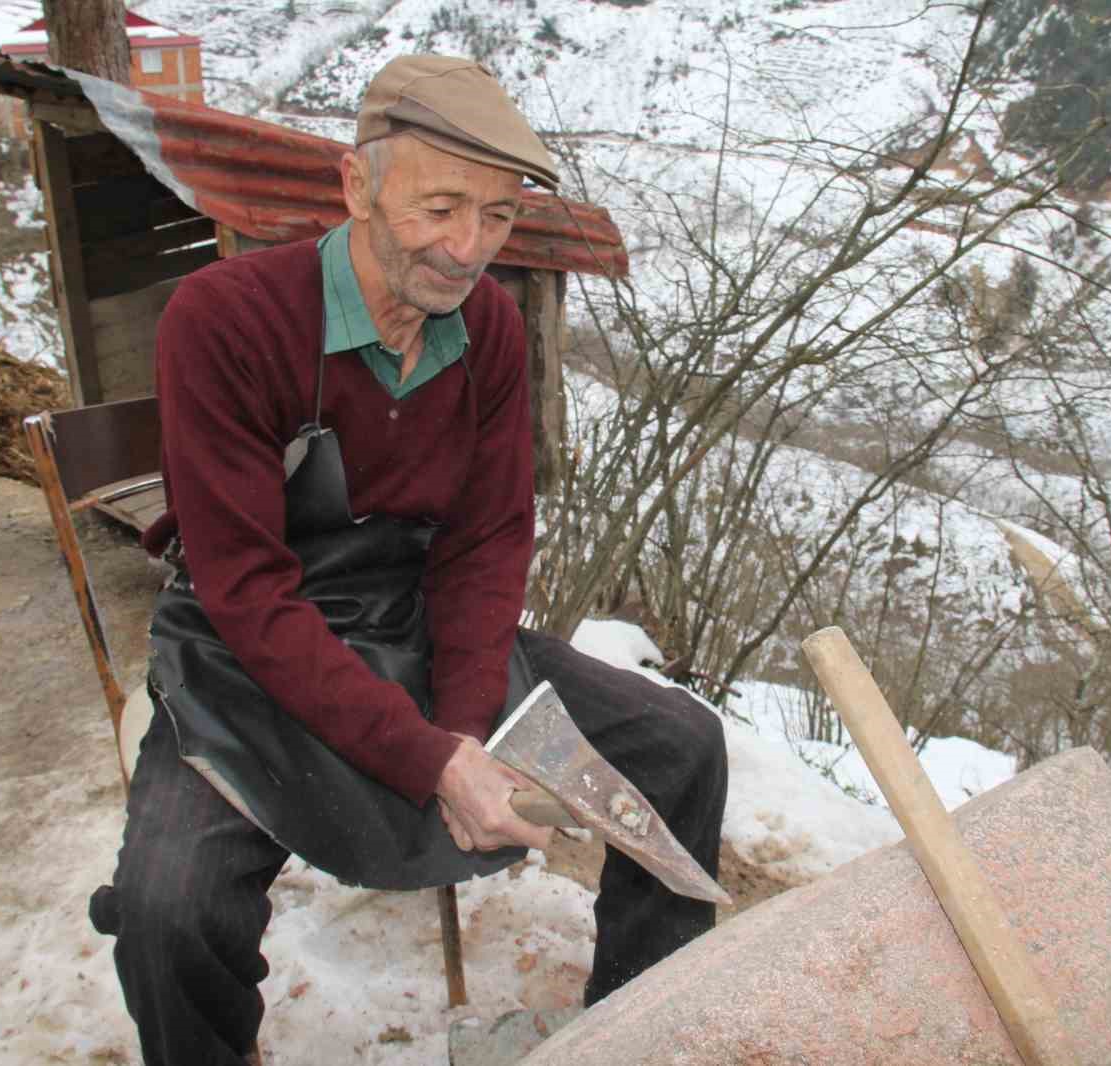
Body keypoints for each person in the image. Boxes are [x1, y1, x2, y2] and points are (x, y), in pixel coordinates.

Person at [88, 55, 727, 1066]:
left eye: (497, 217)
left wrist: (464, 731)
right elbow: (245, 591)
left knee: (682, 747)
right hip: (247, 651)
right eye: (439, 208)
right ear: (357, 186)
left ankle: (629, 1026)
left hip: (413, 621)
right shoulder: (227, 319)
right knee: (169, 912)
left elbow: (485, 542)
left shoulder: (491, 329)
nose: (468, 248)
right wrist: (427, 761)